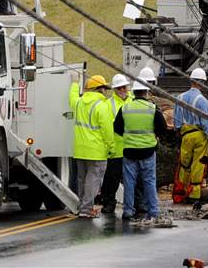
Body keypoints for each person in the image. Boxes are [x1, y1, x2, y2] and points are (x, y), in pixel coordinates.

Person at [115, 76, 171, 227]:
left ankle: (128, 211)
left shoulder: (125, 108)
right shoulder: (152, 109)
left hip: (129, 151)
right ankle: (153, 211)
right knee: (149, 182)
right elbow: (163, 128)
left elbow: (117, 128)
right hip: (147, 151)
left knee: (129, 183)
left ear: (134, 92)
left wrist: (129, 137)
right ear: (146, 92)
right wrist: (153, 136)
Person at [69, 75, 115, 218]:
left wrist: (74, 83)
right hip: (96, 151)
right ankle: (86, 209)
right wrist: (111, 147)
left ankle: (82, 206)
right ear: (99, 89)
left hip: (80, 149)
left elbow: (72, 98)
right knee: (93, 181)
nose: (106, 92)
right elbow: (107, 130)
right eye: (104, 88)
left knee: (82, 180)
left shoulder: (79, 102)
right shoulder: (102, 106)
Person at [173, 67, 208, 203]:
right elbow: (207, 124)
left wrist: (179, 136)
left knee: (184, 165)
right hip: (200, 137)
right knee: (198, 165)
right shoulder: (202, 100)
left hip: (185, 136)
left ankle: (180, 194)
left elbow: (176, 123)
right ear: (202, 83)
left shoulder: (180, 98)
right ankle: (194, 196)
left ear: (191, 81)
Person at [98, 74, 131, 215]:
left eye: (124, 87)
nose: (122, 90)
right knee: (112, 179)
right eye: (119, 88)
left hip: (131, 148)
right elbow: (108, 127)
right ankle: (108, 203)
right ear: (114, 89)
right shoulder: (108, 104)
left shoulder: (133, 101)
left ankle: (133, 205)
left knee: (132, 179)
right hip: (115, 149)